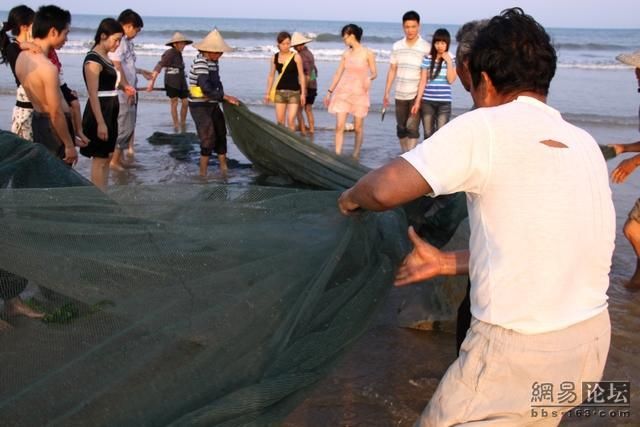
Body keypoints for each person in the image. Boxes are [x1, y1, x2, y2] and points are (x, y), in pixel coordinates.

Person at [338, 8, 614, 425]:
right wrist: (447, 261)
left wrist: (350, 198)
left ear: (483, 79)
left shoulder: (484, 126)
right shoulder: (584, 143)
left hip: (516, 349)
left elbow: (383, 189)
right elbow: (546, 242)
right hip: (590, 346)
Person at [14, 5, 77, 164]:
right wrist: (69, 144)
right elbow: (55, 112)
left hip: (38, 122)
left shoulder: (21, 58)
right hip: (54, 129)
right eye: (65, 33)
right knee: (59, 180)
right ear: (53, 32)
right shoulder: (48, 68)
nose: (66, 39)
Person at [188, 29, 239, 177]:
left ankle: (224, 169)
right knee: (208, 137)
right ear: (208, 50)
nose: (220, 55)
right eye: (218, 52)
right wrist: (225, 97)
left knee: (221, 133)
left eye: (221, 52)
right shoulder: (200, 63)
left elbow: (217, 83)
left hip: (211, 103)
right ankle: (202, 173)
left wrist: (222, 95)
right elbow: (206, 87)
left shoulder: (213, 62)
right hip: (199, 106)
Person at [79, 18, 123, 189]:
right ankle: (99, 196)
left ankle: (103, 192)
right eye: (115, 39)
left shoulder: (106, 57)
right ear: (103, 36)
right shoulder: (93, 60)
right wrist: (101, 123)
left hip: (109, 111)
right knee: (99, 158)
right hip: (100, 113)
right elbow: (93, 93)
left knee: (107, 156)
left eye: (120, 40)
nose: (117, 44)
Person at [323, 24, 377, 158]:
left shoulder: (367, 53)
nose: (343, 40)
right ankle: (337, 154)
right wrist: (329, 91)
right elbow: (338, 73)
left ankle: (355, 154)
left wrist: (369, 78)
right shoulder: (346, 54)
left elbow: (374, 72)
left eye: (344, 37)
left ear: (352, 35)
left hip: (360, 94)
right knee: (339, 126)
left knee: (358, 128)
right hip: (343, 92)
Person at [108, 9, 152, 171]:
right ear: (127, 26)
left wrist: (141, 72)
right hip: (122, 92)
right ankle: (114, 161)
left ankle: (118, 159)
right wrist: (127, 88)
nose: (137, 33)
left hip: (128, 89)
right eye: (137, 30)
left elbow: (128, 66)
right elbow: (117, 65)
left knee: (128, 125)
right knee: (124, 125)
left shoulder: (126, 42)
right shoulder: (118, 42)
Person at [383, 11, 429, 153]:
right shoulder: (397, 46)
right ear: (403, 27)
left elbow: (425, 75)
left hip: (416, 93)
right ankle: (405, 154)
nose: (410, 30)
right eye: (407, 27)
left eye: (413, 26)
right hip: (400, 93)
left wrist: (419, 98)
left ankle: (410, 157)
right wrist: (386, 92)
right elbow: (392, 70)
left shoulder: (426, 47)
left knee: (412, 128)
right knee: (401, 128)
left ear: (419, 26)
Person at [411, 29, 457, 140]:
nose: (439, 46)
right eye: (437, 43)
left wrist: (449, 62)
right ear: (434, 44)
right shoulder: (427, 59)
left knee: (441, 134)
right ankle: (428, 157)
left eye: (443, 43)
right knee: (428, 134)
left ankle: (438, 157)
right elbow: (423, 82)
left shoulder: (452, 59)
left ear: (447, 44)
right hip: (428, 102)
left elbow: (451, 80)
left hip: (444, 103)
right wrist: (417, 102)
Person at [0, 5, 35, 141]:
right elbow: (26, 77)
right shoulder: (13, 49)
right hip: (26, 109)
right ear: (24, 26)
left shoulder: (26, 46)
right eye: (34, 24)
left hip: (33, 107)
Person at [146, 32, 192, 133]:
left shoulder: (179, 53)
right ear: (175, 44)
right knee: (174, 102)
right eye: (181, 43)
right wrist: (152, 82)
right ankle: (176, 125)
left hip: (181, 81)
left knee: (185, 102)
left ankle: (182, 123)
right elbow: (159, 65)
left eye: (184, 43)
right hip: (172, 81)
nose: (183, 45)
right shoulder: (169, 53)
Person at [265, 31, 306, 131]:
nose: (286, 46)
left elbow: (301, 76)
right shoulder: (274, 57)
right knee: (280, 122)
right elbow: (271, 76)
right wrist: (267, 93)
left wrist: (303, 94)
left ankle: (291, 142)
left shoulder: (296, 57)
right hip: (279, 92)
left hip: (294, 92)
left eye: (288, 43)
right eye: (283, 44)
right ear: (278, 44)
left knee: (291, 120)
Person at [291, 32, 317, 135]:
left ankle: (303, 132)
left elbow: (306, 73)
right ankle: (311, 130)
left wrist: (303, 89)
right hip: (313, 85)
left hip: (306, 85)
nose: (294, 48)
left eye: (295, 46)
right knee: (308, 109)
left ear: (300, 45)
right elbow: (314, 71)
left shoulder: (302, 55)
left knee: (298, 110)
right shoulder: (310, 53)